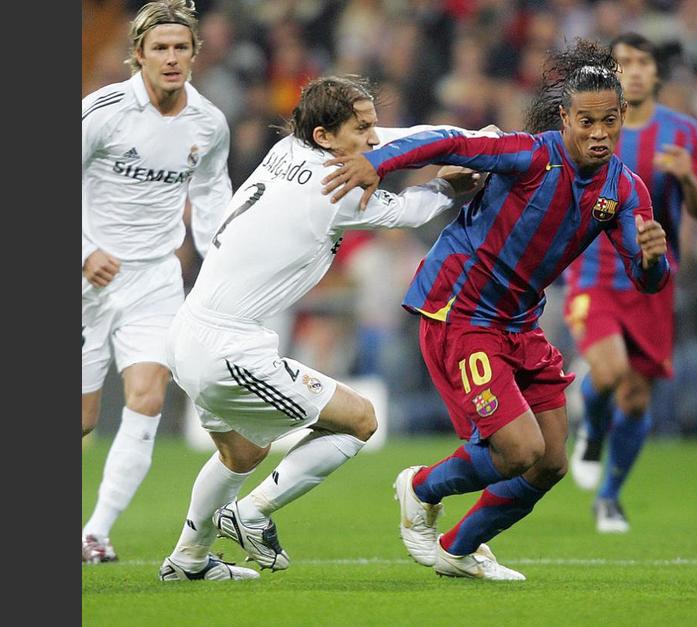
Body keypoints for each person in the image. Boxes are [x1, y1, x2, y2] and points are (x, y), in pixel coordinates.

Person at [322, 39, 672, 581]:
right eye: (586, 121)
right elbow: (452, 142)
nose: (599, 133)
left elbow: (646, 280)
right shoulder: (530, 155)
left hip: (518, 322)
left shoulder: (624, 190)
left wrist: (654, 260)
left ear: (623, 115)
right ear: (564, 117)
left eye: (609, 121)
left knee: (551, 461)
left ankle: (457, 549)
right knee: (517, 450)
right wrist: (377, 161)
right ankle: (418, 487)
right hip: (460, 310)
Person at [158, 75, 482, 582]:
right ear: (326, 137)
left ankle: (187, 561)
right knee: (359, 421)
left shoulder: (290, 147)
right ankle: (250, 514)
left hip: (189, 332)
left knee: (242, 451)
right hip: (228, 347)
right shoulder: (332, 187)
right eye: (362, 128)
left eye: (372, 125)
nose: (373, 139)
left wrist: (469, 139)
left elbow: (399, 136)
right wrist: (446, 186)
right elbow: (405, 212)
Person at [82, 0, 233, 564]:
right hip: (87, 279)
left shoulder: (208, 122)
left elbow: (213, 195)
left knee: (146, 399)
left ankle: (94, 531)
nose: (171, 58)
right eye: (160, 48)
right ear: (138, 55)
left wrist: (220, 265)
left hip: (154, 280)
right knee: (83, 418)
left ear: (195, 54)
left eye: (181, 48)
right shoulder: (102, 111)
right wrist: (84, 251)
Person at [561, 33, 697, 533]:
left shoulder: (685, 134)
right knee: (608, 374)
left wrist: (687, 178)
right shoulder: (590, 125)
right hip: (593, 270)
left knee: (636, 397)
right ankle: (590, 431)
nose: (632, 70)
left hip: (654, 276)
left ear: (655, 72)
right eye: (622, 63)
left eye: (642, 62)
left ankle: (609, 497)